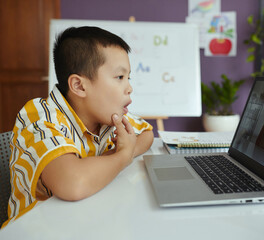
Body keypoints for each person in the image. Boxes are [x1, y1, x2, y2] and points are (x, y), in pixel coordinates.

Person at [2, 26, 154, 227]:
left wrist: (111, 157)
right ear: (79, 86)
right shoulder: (39, 116)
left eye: (129, 78)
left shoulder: (106, 117)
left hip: (85, 222)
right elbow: (73, 183)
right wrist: (122, 156)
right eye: (119, 77)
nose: (129, 87)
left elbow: (146, 133)